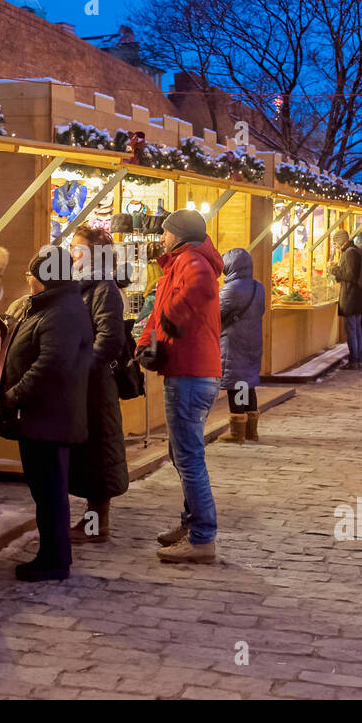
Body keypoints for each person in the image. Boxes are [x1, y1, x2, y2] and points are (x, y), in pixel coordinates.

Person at [0, 245, 93, 581]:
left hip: (50, 417)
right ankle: (52, 554)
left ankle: (54, 559)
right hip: (46, 416)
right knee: (45, 489)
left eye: (32, 273)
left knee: (49, 490)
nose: (28, 278)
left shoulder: (61, 311)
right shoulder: (54, 305)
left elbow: (51, 364)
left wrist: (15, 395)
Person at [135, 209, 223, 564]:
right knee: (182, 453)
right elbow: (157, 314)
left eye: (167, 232)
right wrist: (147, 341)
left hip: (191, 372)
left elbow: (188, 296)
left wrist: (169, 322)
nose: (163, 236)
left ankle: (202, 536)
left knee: (188, 456)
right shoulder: (180, 262)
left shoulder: (193, 261)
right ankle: (191, 525)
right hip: (187, 370)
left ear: (179, 235)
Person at [67, 224, 129, 543]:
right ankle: (91, 523)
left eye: (78, 248)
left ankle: (96, 526)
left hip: (95, 385)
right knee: (89, 455)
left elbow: (110, 339)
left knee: (98, 455)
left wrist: (81, 365)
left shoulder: (102, 287)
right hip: (83, 384)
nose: (72, 252)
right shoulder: (82, 285)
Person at [217, 247, 265, 444]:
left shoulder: (231, 289)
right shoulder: (258, 286)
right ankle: (251, 430)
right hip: (253, 339)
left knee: (236, 383)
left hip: (234, 341)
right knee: (247, 382)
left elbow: (216, 315)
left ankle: (237, 431)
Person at [329, 229, 362, 369]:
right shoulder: (353, 251)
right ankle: (358, 359)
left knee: (352, 329)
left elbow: (350, 275)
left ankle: (355, 359)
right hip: (356, 297)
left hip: (351, 297)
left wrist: (334, 270)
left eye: (335, 242)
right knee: (356, 328)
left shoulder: (350, 253)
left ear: (341, 240)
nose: (335, 245)